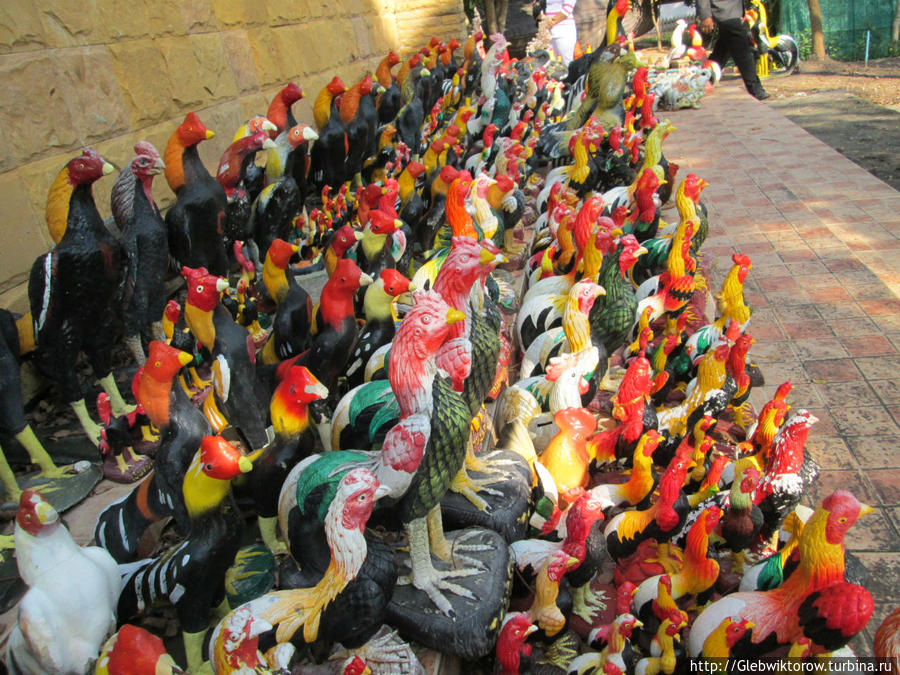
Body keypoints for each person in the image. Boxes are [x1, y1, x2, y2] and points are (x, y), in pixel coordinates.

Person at [697, 0, 770, 100]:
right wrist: (705, 15)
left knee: (723, 49)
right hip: (725, 12)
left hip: (733, 11)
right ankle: (755, 89)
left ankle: (702, 81)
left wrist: (742, 10)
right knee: (742, 50)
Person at [546, 0, 578, 66]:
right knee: (546, 65)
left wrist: (552, 22)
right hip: (545, 32)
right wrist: (542, 19)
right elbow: (537, 7)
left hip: (564, 31)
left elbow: (568, 8)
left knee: (566, 64)